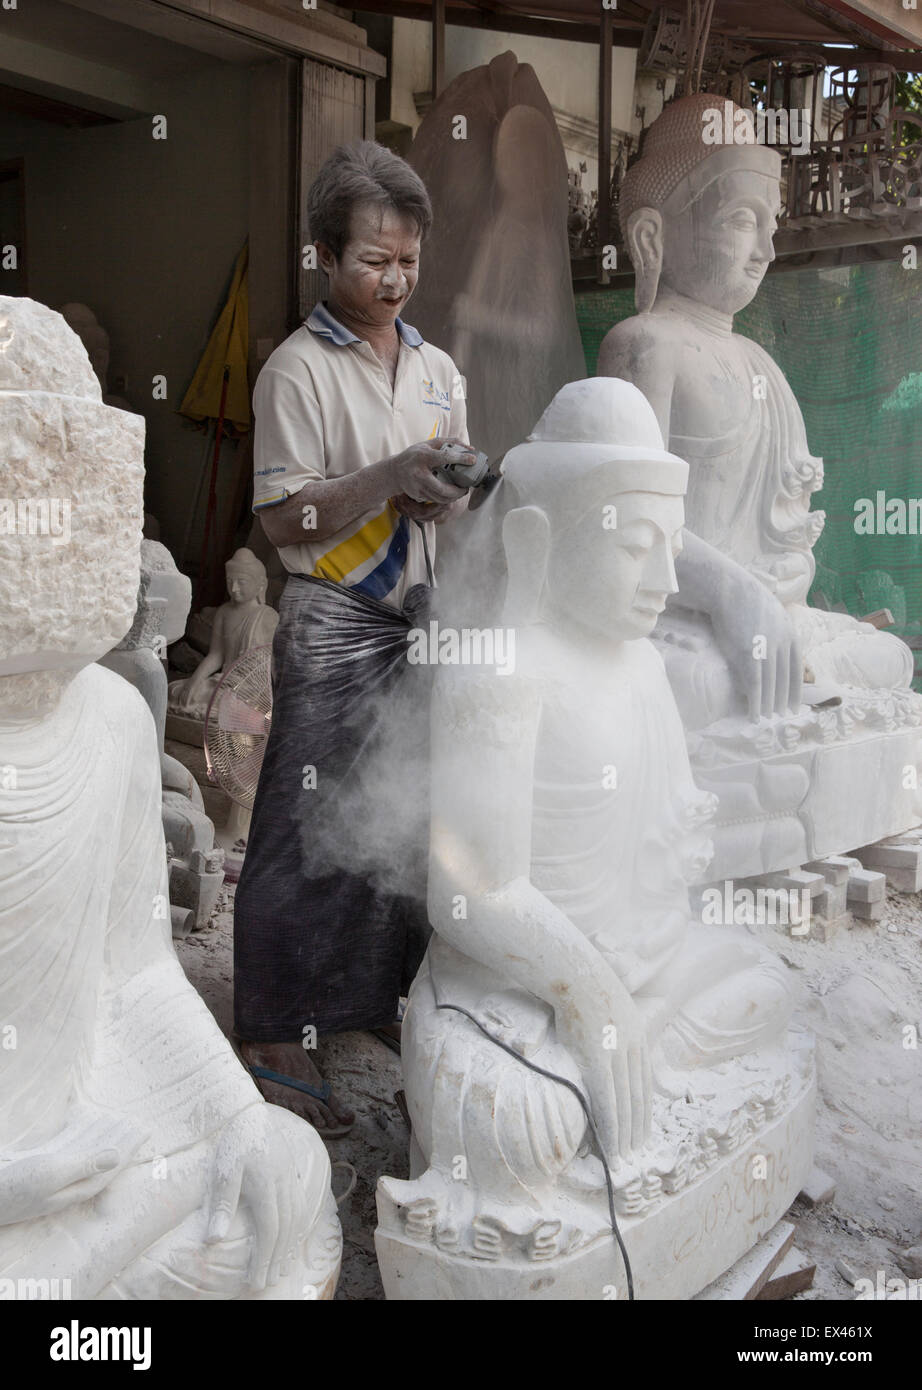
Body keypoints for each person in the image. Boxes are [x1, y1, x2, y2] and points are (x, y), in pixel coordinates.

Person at [233, 141, 471, 1136]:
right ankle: (272, 1026)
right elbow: (287, 522)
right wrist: (391, 473)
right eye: (374, 258)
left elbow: (444, 500)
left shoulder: (436, 366)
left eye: (408, 260)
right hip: (330, 617)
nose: (393, 278)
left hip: (414, 614)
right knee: (301, 822)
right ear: (324, 254)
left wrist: (447, 483)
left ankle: (367, 1004)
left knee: (401, 823)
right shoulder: (295, 370)